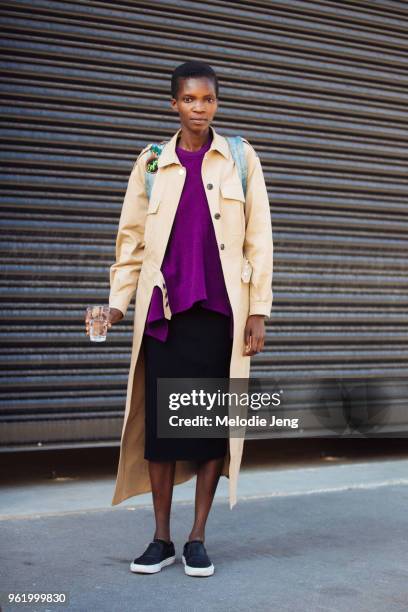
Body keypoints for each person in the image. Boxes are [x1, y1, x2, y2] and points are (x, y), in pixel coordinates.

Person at [85, 60, 273, 577]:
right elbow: (131, 243)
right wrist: (118, 305)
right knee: (163, 434)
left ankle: (197, 537)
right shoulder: (150, 163)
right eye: (189, 99)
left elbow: (260, 236)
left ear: (217, 103)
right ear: (173, 104)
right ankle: (161, 537)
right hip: (164, 316)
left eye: (208, 99)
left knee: (211, 428)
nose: (199, 108)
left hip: (222, 315)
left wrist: (258, 311)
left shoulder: (240, 157)